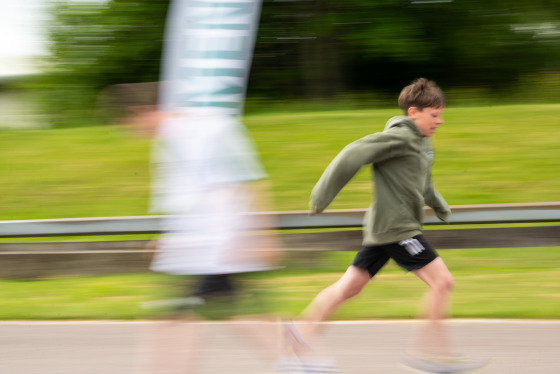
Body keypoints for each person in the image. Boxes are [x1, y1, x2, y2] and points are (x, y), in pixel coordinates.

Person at [284, 78, 487, 373]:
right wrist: (321, 197)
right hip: (398, 229)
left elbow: (423, 181)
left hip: (384, 229)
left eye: (441, 114)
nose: (440, 121)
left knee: (348, 287)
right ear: (413, 112)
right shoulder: (398, 138)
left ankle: (298, 334)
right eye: (434, 115)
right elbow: (352, 154)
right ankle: (430, 353)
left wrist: (439, 204)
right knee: (442, 282)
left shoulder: (423, 144)